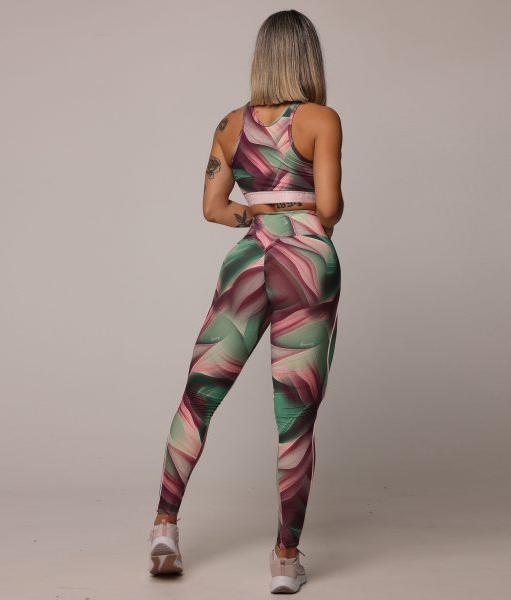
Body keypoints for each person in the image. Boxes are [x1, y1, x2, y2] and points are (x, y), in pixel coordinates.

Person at [147, 8, 343, 594]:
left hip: (250, 257)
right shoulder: (321, 119)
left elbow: (213, 208)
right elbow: (329, 207)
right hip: (307, 261)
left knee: (199, 396)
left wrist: (259, 215)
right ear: (308, 59)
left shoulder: (229, 124)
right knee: (295, 416)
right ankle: (285, 559)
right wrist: (299, 216)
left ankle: (164, 527)